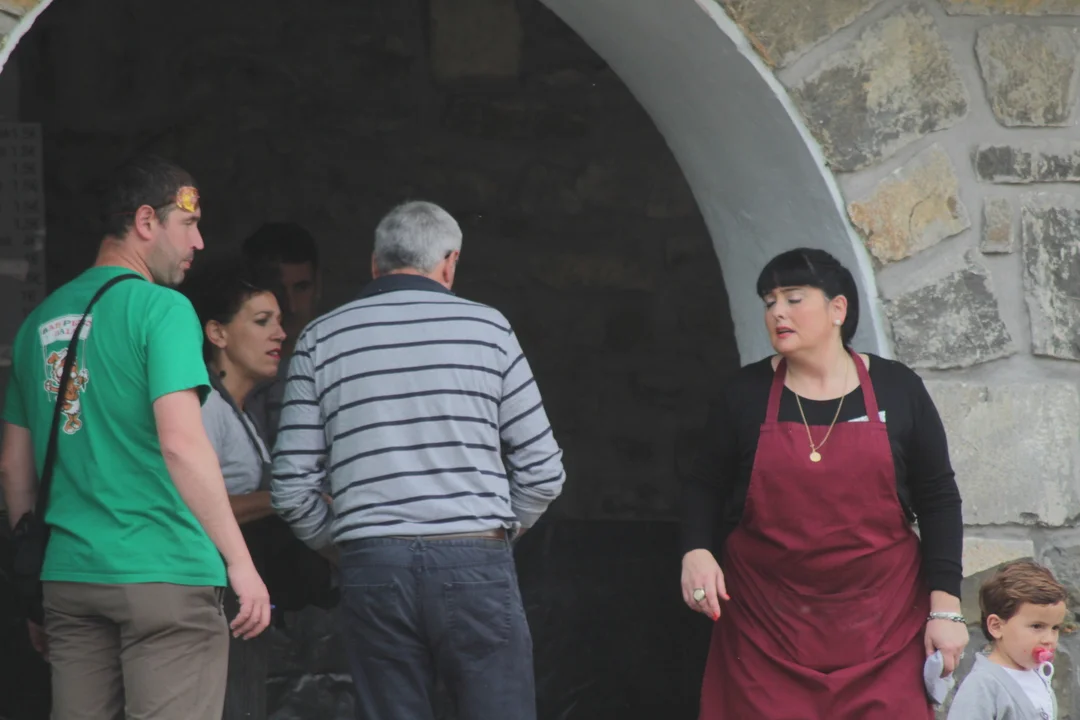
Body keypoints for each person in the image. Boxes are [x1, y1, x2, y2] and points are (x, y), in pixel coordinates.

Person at [271, 200, 565, 719]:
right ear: (450, 263)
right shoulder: (490, 330)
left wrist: (345, 546)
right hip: (476, 560)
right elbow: (543, 470)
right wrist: (493, 534)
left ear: (374, 263)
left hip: (372, 564)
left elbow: (291, 487)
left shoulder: (320, 338)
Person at [0, 155, 271, 720]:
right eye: (188, 223)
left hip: (70, 578)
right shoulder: (162, 309)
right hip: (164, 572)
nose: (198, 242)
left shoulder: (37, 323)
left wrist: (33, 581)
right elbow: (181, 444)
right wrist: (240, 563)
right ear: (146, 221)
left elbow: (13, 468)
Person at [680, 247, 968, 718]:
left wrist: (946, 608)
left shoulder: (898, 388)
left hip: (885, 626)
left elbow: (938, 497)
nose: (777, 312)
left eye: (793, 298)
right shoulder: (743, 394)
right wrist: (696, 551)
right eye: (769, 301)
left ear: (838, 309)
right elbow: (703, 484)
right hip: (765, 629)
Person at [178, 253, 336, 719]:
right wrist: (282, 499)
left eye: (280, 321)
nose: (280, 334)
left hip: (236, 603)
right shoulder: (206, 406)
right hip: (212, 601)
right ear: (217, 333)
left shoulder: (238, 411)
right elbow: (189, 505)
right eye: (263, 321)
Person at [948, 560, 1066, 720]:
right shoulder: (982, 685)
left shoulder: (1038, 676)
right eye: (1037, 626)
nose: (1049, 639)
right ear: (996, 626)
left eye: (1055, 628)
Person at [241, 222, 321, 448]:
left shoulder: (334, 364)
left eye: (301, 288)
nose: (291, 305)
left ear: (319, 286)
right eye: (277, 290)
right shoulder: (232, 371)